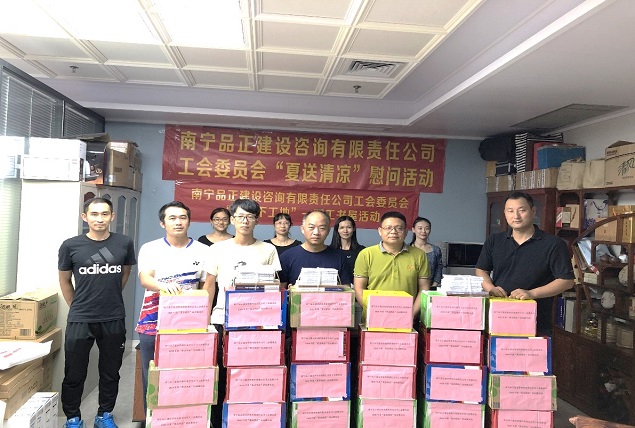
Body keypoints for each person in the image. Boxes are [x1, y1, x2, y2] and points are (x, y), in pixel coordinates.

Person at [58, 197, 136, 428]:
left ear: (112, 216)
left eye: (104, 214)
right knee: (74, 372)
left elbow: (124, 274)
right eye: (94, 214)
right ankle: (73, 418)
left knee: (110, 372)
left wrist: (109, 298)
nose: (99, 219)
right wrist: (77, 306)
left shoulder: (124, 243)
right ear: (85, 217)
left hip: (113, 317)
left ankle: (104, 415)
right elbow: (65, 281)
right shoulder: (70, 246)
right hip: (80, 319)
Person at [203, 198, 281, 428]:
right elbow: (209, 285)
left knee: (252, 375)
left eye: (250, 217)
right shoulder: (218, 249)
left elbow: (274, 287)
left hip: (257, 323)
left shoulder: (268, 249)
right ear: (232, 219)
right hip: (222, 319)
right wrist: (205, 319)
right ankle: (218, 422)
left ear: (257, 220)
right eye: (240, 216)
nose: (245, 221)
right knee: (222, 373)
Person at [135, 201, 210, 413]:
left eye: (183, 217)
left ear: (189, 221)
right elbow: (145, 279)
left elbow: (205, 286)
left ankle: (184, 419)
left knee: (185, 375)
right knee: (153, 375)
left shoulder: (203, 250)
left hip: (189, 323)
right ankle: (153, 419)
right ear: (162, 223)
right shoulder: (150, 248)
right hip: (153, 321)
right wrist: (164, 286)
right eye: (172, 218)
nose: (178, 222)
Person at [475, 191, 574, 335]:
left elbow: (566, 281)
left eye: (522, 210)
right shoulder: (494, 241)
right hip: (498, 317)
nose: (516, 216)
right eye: (510, 211)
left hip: (537, 323)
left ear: (533, 211)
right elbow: (481, 270)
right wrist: (491, 288)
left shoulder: (553, 244)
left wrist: (531, 293)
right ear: (505, 213)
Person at [353, 211, 431, 319]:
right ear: (380, 231)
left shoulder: (419, 255)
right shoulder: (366, 254)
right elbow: (359, 288)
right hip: (373, 319)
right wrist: (372, 312)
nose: (393, 232)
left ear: (406, 232)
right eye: (388, 228)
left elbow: (424, 288)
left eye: (399, 228)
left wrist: (410, 315)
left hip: (407, 319)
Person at [279, 210, 352, 287]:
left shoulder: (340, 257)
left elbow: (347, 289)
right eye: (311, 227)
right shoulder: (287, 257)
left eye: (322, 228)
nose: (316, 232)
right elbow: (281, 289)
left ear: (328, 230)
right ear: (302, 229)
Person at [410, 217, 443, 289]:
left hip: (430, 288)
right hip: (410, 287)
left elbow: (438, 270)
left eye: (427, 228)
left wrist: (433, 286)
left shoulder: (436, 250)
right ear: (413, 230)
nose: (423, 231)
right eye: (420, 228)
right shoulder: (407, 249)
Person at [329, 215, 366, 280]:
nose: (345, 231)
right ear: (337, 230)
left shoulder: (362, 251)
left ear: (354, 229)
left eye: (349, 227)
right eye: (342, 228)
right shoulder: (330, 251)